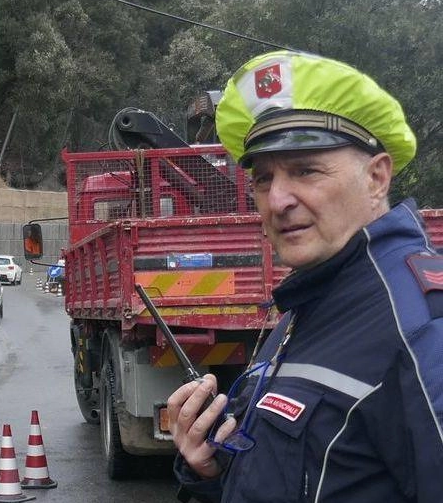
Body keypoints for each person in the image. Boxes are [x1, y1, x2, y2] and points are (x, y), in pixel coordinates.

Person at [167, 51, 443, 502]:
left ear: (377, 177)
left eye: (305, 170)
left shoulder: (421, 327)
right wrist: (211, 470)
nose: (277, 200)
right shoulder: (311, 304)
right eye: (263, 179)